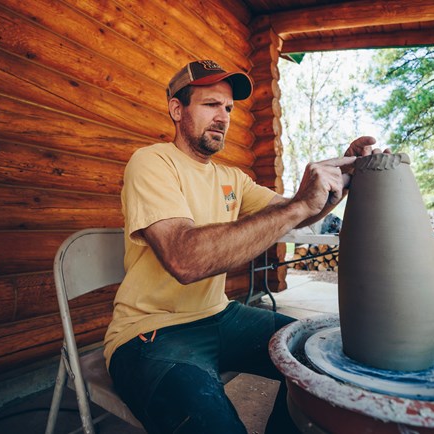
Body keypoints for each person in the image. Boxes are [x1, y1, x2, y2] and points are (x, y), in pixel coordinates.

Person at [103, 59, 379, 434]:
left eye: (229, 108)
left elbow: (293, 213)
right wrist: (300, 204)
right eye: (211, 104)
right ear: (176, 109)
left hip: (220, 315)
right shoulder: (152, 162)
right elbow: (185, 260)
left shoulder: (232, 177)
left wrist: (337, 185)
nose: (223, 117)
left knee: (318, 357)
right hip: (151, 333)